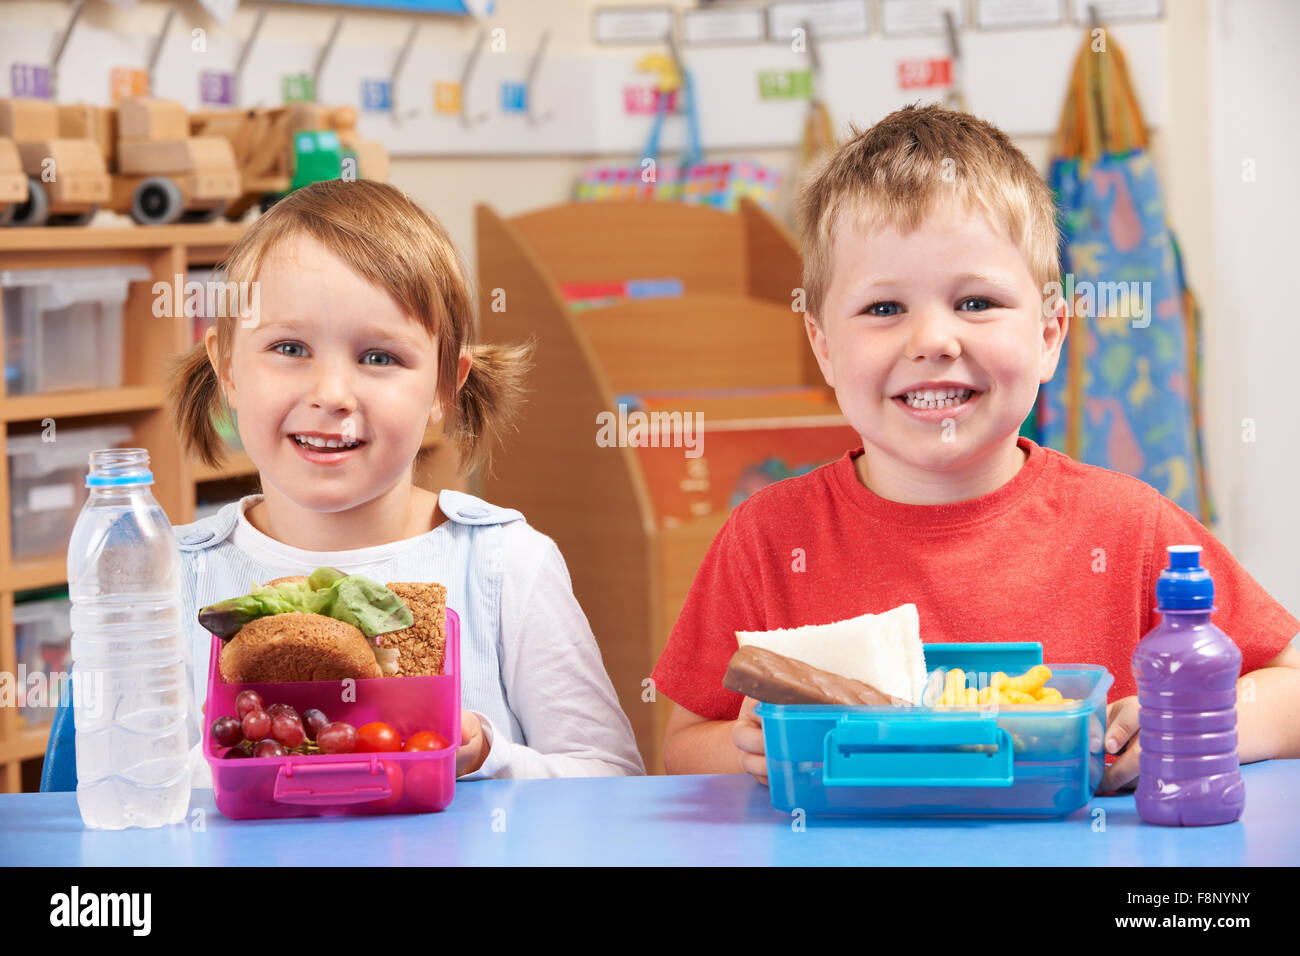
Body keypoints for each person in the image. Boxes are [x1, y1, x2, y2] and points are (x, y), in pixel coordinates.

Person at [652, 104, 1300, 792]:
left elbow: (1289, 689)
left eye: (975, 303)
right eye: (883, 309)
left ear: (1050, 333)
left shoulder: (1132, 528)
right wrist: (754, 749)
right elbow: (687, 745)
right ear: (823, 346)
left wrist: (1189, 721)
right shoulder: (766, 540)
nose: (933, 340)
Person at [169, 179, 643, 781]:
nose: (332, 394)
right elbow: (118, 801)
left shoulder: (506, 564)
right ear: (228, 368)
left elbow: (611, 781)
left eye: (378, 358)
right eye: (290, 347)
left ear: (446, 386)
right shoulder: (168, 577)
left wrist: (489, 757)